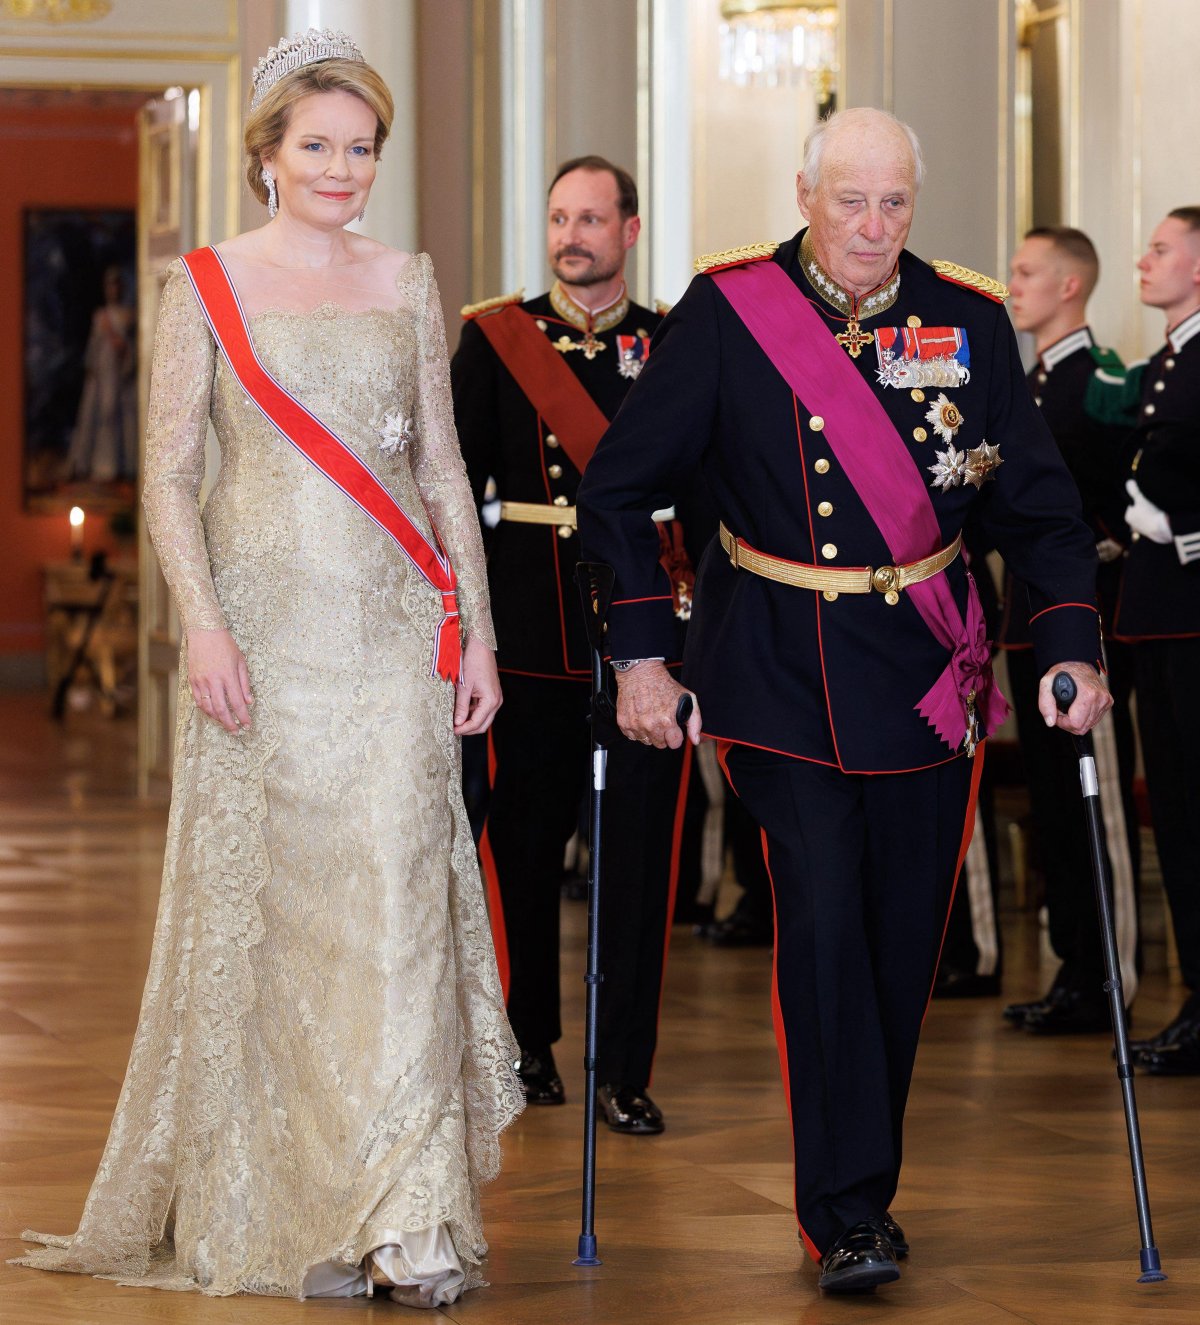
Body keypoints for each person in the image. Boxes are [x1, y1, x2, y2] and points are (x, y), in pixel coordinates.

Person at [13, 29, 521, 1306]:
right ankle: (298, 1198)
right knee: (285, 931)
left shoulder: (408, 280)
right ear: (267, 155)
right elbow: (172, 477)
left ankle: (409, 1212)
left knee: (403, 913)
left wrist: (482, 635)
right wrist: (205, 625)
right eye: (319, 146)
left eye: (361, 149)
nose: (343, 169)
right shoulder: (205, 286)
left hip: (398, 642)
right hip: (268, 652)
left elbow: (445, 470)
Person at [577, 107, 1111, 1294]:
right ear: (807, 193)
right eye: (850, 200)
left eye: (895, 204)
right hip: (770, 666)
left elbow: (1039, 512)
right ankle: (849, 1210)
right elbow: (619, 493)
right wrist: (645, 655)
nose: (873, 228)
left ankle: (862, 1176)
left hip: (927, 677)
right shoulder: (728, 312)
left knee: (897, 938)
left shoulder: (967, 320)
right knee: (820, 919)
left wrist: (1070, 641)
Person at [451, 155, 704, 1134]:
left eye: (593, 218)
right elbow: (453, 489)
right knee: (520, 845)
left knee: (642, 859)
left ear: (629, 231)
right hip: (527, 628)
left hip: (644, 622)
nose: (572, 235)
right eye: (560, 216)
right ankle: (529, 1043)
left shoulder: (674, 341)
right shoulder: (496, 338)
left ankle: (624, 1065)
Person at [1000, 227, 1140, 1033]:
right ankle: (1073, 966)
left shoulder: (1103, 384)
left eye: (1027, 272)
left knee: (1095, 803)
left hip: (1086, 622)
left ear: (1069, 287)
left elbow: (1128, 502)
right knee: (1054, 803)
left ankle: (1109, 972)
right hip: (1026, 619)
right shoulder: (1029, 383)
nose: (1013, 285)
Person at [1112, 206, 1200, 1075]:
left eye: (1164, 248)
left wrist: (1181, 530)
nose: (1146, 260)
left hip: (1192, 609)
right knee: (1172, 817)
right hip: (1157, 613)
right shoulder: (1169, 362)